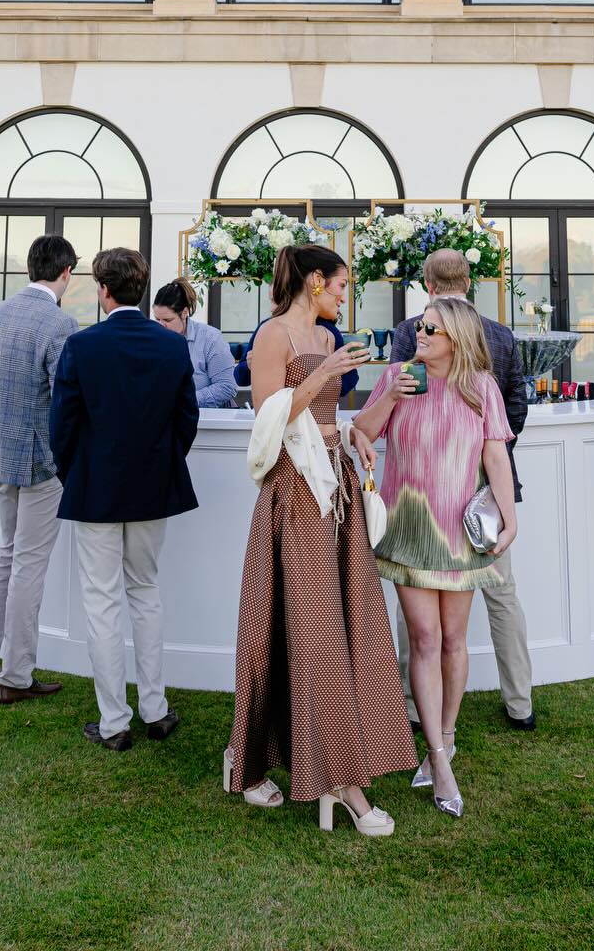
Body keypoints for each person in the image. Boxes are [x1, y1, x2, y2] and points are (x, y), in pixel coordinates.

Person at [227, 243, 415, 835]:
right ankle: (337, 782)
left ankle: (310, 766)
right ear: (314, 282)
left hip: (338, 490)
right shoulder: (272, 338)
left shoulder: (330, 341)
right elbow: (267, 418)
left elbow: (334, 419)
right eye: (339, 284)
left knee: (350, 628)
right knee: (309, 638)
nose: (343, 294)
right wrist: (325, 377)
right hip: (294, 495)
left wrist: (365, 424)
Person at [357, 295, 517, 819]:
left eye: (430, 330)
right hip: (409, 526)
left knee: (453, 640)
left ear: (457, 339)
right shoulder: (399, 376)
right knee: (423, 639)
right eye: (421, 327)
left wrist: (510, 514)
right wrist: (389, 397)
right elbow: (363, 433)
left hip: (460, 532)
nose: (418, 335)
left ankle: (442, 739)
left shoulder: (481, 387)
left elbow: (495, 450)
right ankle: (439, 759)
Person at [50, 247, 198, 750]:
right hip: (152, 486)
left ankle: (114, 721)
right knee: (145, 590)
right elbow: (186, 423)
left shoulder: (82, 346)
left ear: (104, 291)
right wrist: (160, 464)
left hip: (95, 487)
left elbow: (61, 426)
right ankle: (154, 709)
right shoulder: (172, 347)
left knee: (101, 600)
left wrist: (75, 474)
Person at [389, 247, 535, 731]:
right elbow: (517, 408)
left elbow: (409, 411)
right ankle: (520, 702)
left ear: (428, 285)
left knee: (421, 615)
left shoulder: (410, 331)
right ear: (469, 282)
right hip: (486, 492)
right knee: (502, 594)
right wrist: (478, 447)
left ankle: (415, 707)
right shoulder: (501, 334)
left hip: (438, 494)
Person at [0, 234, 79, 705]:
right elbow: (64, 403)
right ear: (65, 273)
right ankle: (15, 676)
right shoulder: (61, 324)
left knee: (6, 557)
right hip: (39, 459)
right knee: (27, 562)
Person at [151, 279, 237, 407]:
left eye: (167, 320)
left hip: (212, 421)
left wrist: (185, 401)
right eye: (157, 319)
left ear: (184, 313)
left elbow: (227, 386)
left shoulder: (210, 338)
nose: (161, 326)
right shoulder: (152, 340)